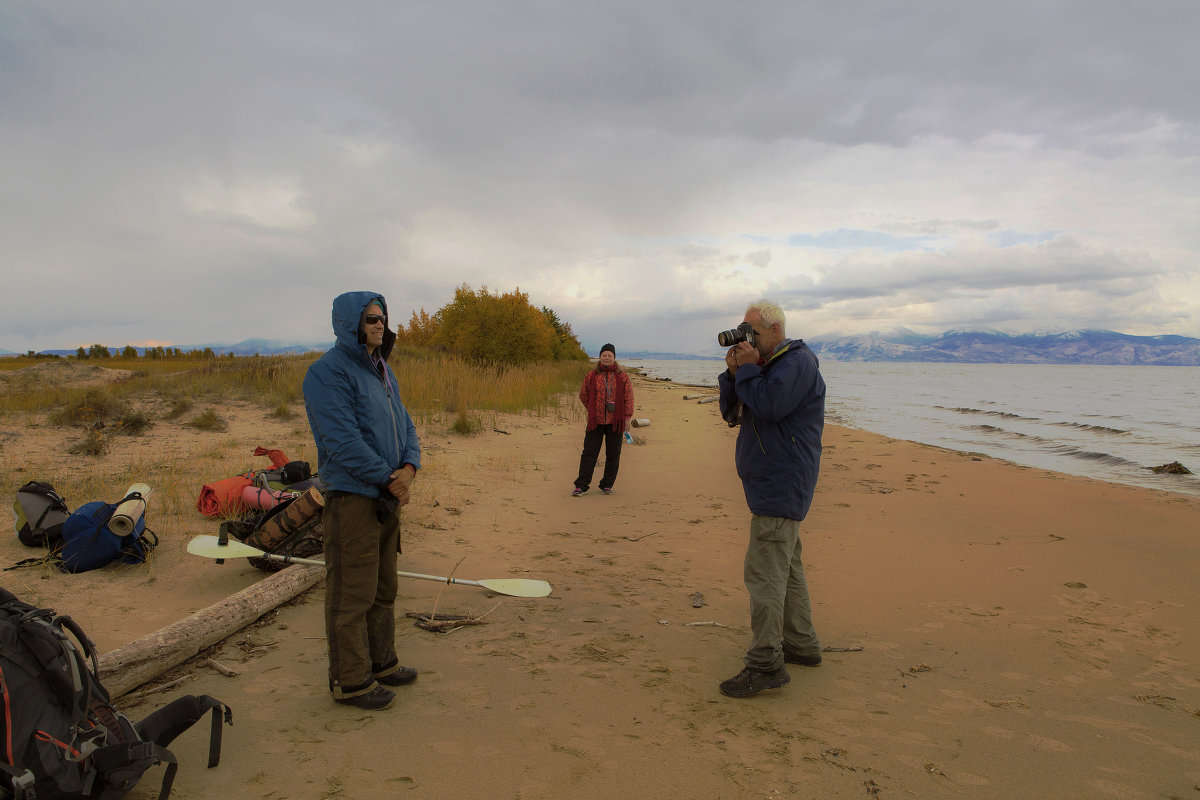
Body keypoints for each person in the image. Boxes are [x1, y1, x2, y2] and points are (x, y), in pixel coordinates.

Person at [303, 292, 422, 711]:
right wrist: (389, 478)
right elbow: (340, 441)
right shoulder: (327, 373)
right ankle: (351, 682)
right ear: (350, 323)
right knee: (351, 593)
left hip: (387, 496)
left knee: (383, 586)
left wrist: (410, 467)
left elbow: (405, 423)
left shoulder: (383, 370)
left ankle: (381, 662)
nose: (380, 324)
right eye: (372, 318)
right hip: (353, 497)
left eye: (383, 317)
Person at [716, 299, 825, 698]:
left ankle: (765, 662)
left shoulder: (797, 363)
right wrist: (734, 374)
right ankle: (801, 643)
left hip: (782, 483)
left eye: (753, 334)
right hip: (773, 482)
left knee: (764, 573)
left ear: (776, 331)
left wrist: (747, 369)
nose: (748, 340)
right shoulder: (770, 366)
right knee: (788, 565)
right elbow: (734, 413)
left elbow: (771, 406)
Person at [572, 343, 634, 496]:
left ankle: (607, 484)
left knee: (613, 454)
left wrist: (627, 417)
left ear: (614, 358)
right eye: (604, 355)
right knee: (589, 454)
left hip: (616, 422)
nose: (607, 358)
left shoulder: (622, 376)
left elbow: (629, 397)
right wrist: (592, 409)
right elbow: (583, 395)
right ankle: (581, 485)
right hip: (596, 421)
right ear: (600, 357)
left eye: (610, 355)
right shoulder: (592, 375)